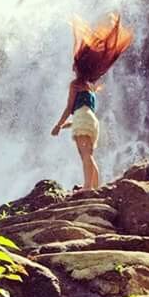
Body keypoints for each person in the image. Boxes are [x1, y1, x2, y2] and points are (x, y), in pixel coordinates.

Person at [51, 13, 133, 190]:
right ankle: (94, 186)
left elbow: (69, 108)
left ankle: (88, 187)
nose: (72, 67)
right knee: (89, 155)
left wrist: (58, 125)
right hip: (92, 122)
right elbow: (83, 112)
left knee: (85, 155)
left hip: (82, 120)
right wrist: (67, 126)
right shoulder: (90, 88)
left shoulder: (75, 84)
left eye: (74, 64)